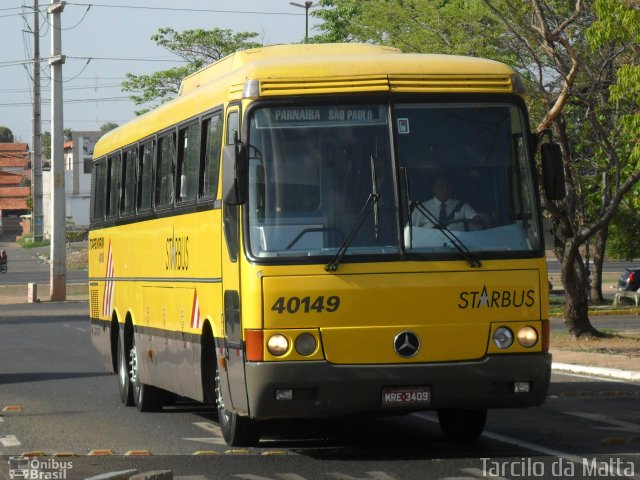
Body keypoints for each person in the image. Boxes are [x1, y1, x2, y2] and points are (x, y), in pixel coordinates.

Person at [411, 173, 484, 231]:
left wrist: (477, 219)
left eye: (448, 187)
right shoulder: (421, 209)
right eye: (441, 187)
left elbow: (476, 219)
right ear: (434, 189)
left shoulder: (462, 206)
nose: (445, 190)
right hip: (430, 248)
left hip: (458, 248)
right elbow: (409, 232)